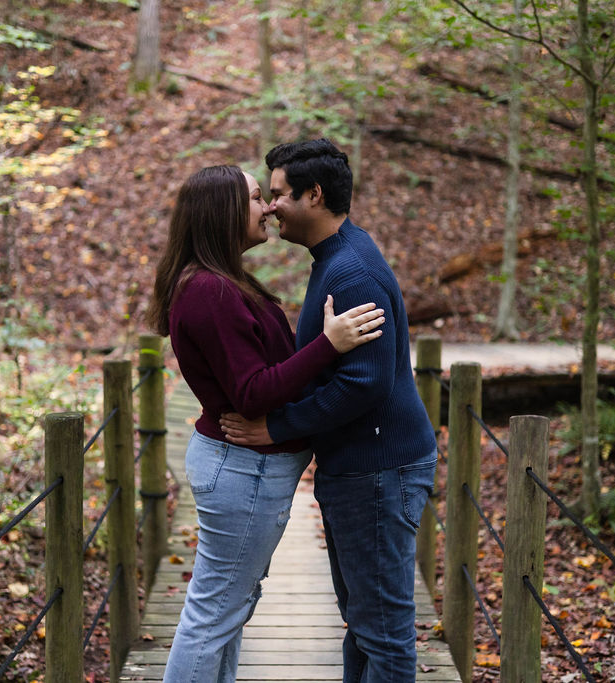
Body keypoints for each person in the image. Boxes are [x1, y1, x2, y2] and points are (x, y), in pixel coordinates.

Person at [146, 164, 386, 683]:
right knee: (214, 615)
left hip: (244, 470)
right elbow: (252, 392)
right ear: (224, 212)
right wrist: (330, 344)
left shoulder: (217, 281)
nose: (269, 207)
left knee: (226, 609)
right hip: (243, 472)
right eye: (258, 198)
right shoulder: (209, 290)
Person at [219, 139, 438, 682]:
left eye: (278, 195)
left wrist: (276, 427)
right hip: (362, 470)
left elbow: (362, 385)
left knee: (383, 634)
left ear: (314, 195)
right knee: (364, 625)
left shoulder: (351, 273)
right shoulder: (338, 258)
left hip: (380, 471)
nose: (269, 207)